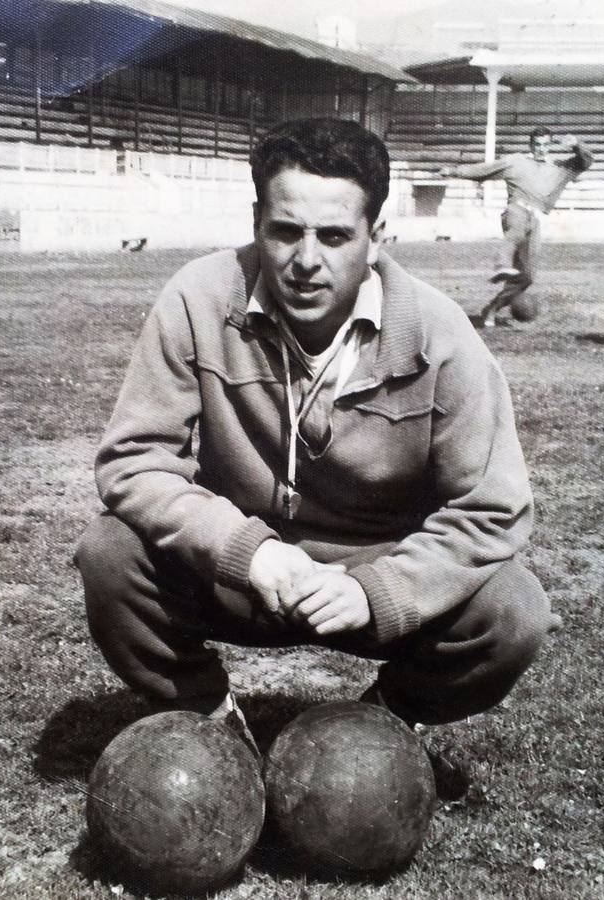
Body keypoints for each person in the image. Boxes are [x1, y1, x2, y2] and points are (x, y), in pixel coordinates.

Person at [76, 118, 559, 797]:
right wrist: (244, 548)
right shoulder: (197, 296)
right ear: (256, 222)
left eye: (333, 236)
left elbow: (492, 509)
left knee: (511, 609)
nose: (307, 260)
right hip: (241, 568)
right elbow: (133, 462)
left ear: (375, 237)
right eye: (285, 231)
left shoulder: (439, 334)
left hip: (375, 570)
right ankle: (210, 725)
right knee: (110, 553)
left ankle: (382, 728)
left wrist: (378, 590)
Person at [440, 127, 593, 326]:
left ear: (550, 146)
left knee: (527, 277)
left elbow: (586, 161)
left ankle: (492, 308)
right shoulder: (516, 161)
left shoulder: (560, 167)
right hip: (516, 210)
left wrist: (576, 145)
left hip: (535, 219)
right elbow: (485, 170)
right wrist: (454, 171)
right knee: (516, 232)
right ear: (531, 145)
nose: (541, 149)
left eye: (545, 144)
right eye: (537, 145)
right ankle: (502, 264)